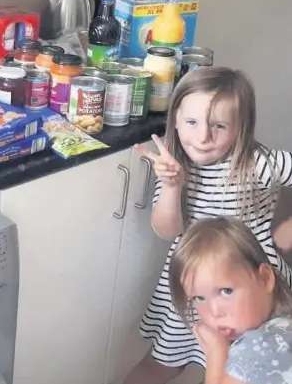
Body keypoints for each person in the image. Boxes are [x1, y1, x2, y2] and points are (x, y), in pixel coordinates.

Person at [123, 67, 292, 384]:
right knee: (161, 364)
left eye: (219, 126)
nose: (202, 137)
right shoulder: (175, 164)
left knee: (241, 366)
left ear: (240, 127)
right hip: (197, 286)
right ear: (175, 119)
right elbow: (167, 229)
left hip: (248, 286)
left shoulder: (262, 163)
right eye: (191, 123)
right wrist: (172, 186)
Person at [169, 216, 292, 384]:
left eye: (226, 291)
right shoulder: (282, 326)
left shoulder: (261, 346)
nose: (215, 312)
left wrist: (215, 354)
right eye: (199, 298)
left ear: (264, 278)